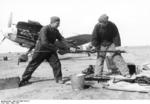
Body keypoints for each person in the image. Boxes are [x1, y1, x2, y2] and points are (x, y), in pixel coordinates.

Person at [19, 16, 70, 87]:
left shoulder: (56, 31)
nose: (59, 25)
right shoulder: (44, 29)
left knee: (56, 64)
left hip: (50, 51)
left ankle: (58, 79)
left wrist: (68, 46)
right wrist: (57, 49)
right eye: (58, 23)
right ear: (53, 22)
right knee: (33, 65)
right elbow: (44, 42)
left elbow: (61, 39)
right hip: (40, 50)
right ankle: (24, 80)